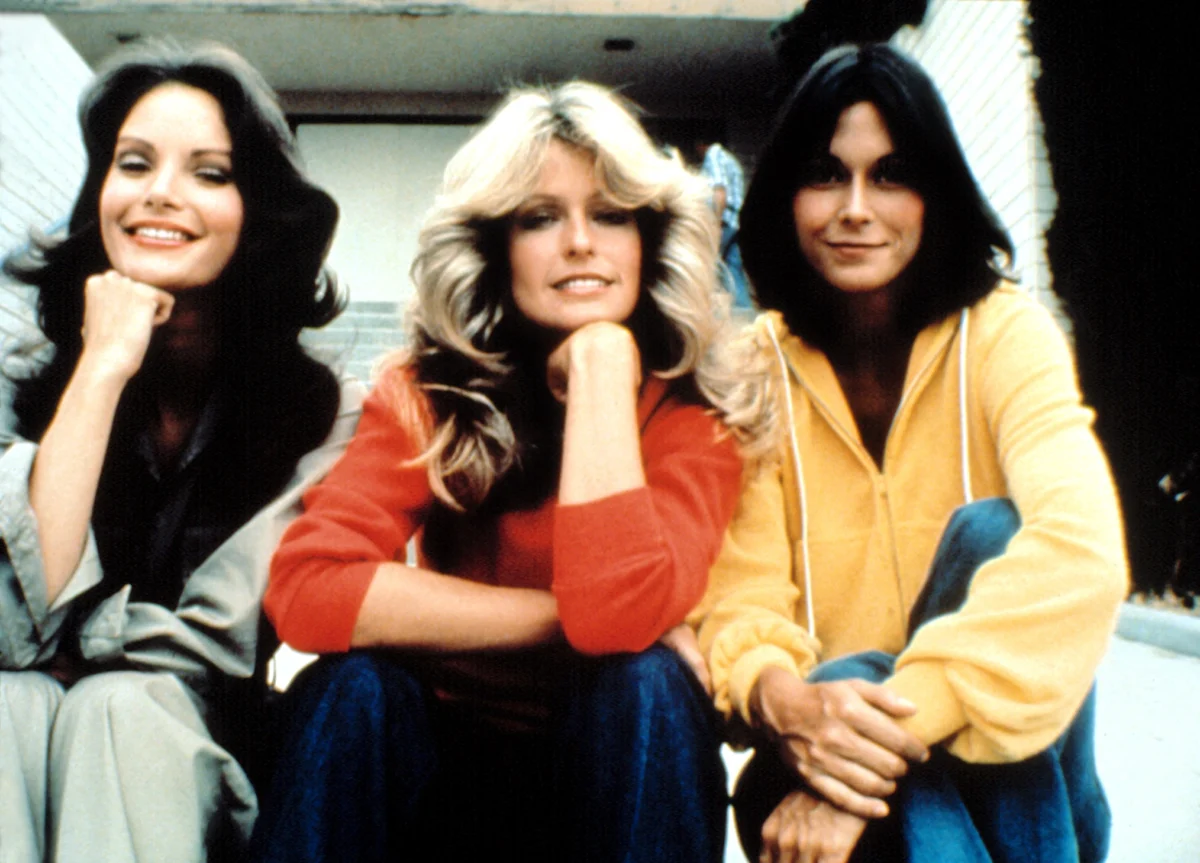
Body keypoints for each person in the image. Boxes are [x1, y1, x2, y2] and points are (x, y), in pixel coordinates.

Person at [250, 81, 775, 863]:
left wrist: (601, 364)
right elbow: (307, 589)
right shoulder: (429, 393)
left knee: (647, 683)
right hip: (446, 776)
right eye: (539, 218)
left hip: (613, 777)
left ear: (648, 239)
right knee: (350, 688)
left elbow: (617, 620)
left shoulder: (693, 412)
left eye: (611, 215)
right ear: (496, 244)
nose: (580, 242)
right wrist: (560, 622)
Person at [690, 43, 1128, 863]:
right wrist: (788, 703)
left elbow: (1084, 553)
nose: (856, 208)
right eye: (826, 175)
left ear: (935, 194)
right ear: (786, 193)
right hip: (812, 756)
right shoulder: (749, 372)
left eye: (891, 175)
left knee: (995, 534)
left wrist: (888, 728)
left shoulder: (1005, 334)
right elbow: (742, 603)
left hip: (1005, 778)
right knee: (838, 675)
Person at [0, 39, 363, 862]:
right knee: (9, 703)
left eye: (210, 173)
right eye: (133, 164)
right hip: (35, 736)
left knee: (118, 705)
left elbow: (220, 639)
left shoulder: (325, 410)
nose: (159, 193)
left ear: (257, 208)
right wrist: (102, 366)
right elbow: (14, 625)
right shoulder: (21, 387)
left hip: (201, 760)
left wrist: (79, 645)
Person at [696, 139, 753, 311]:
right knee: (733, 267)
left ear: (701, 144)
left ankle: (705, 312)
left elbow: (719, 191)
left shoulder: (713, 155)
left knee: (708, 264)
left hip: (724, 222)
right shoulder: (730, 159)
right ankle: (743, 311)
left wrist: (715, 222)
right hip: (735, 222)